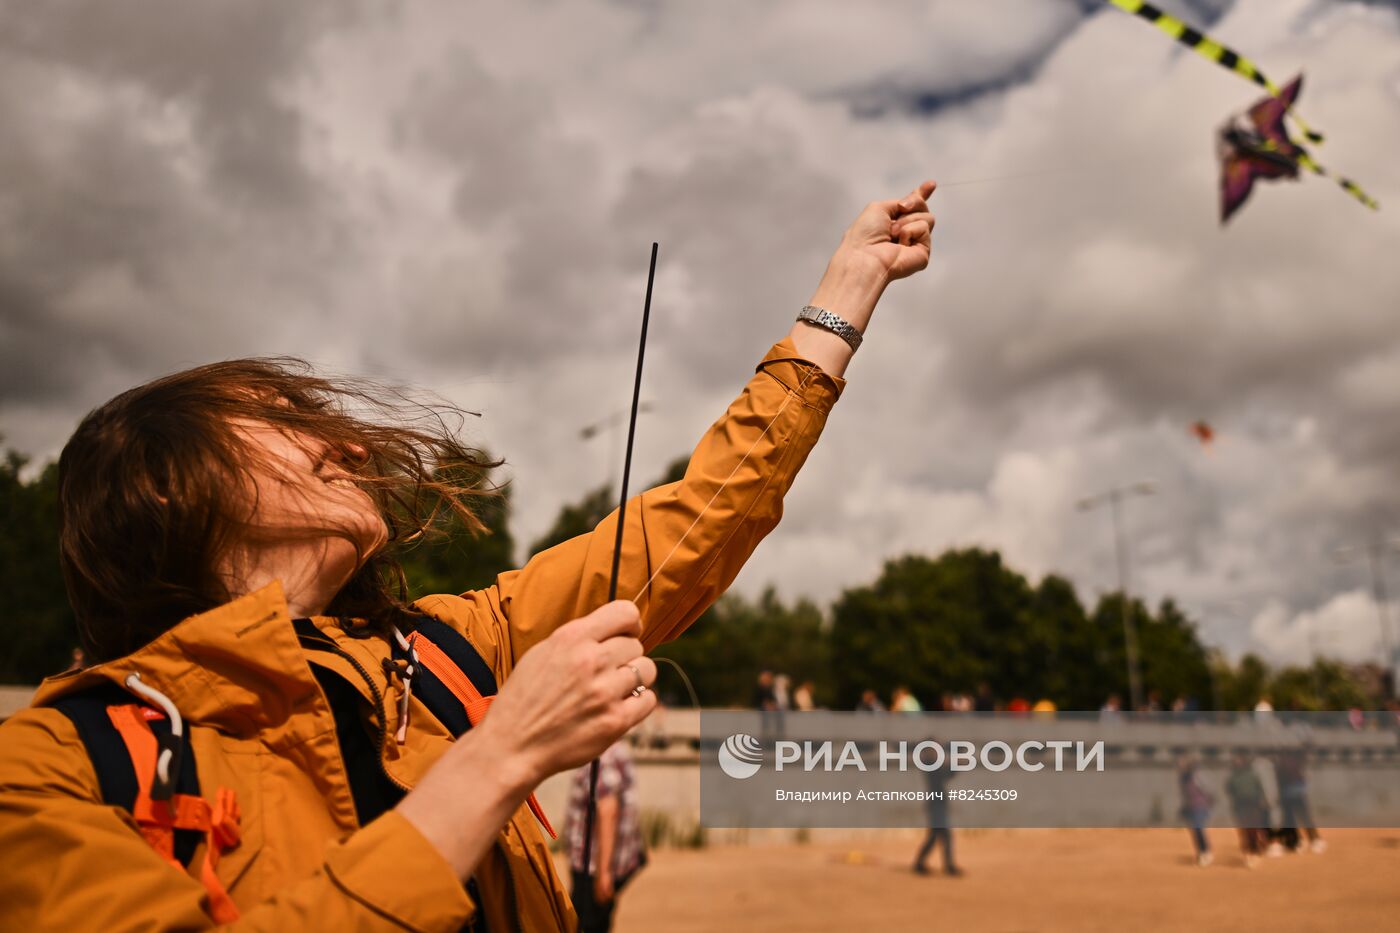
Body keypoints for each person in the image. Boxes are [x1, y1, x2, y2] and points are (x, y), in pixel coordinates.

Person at [0, 180, 941, 930]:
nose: (352, 445)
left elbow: (693, 521)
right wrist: (497, 762)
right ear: (167, 485)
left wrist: (843, 295)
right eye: (286, 423)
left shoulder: (449, 650)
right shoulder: (50, 768)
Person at [565, 740, 645, 933]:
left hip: (593, 866)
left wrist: (604, 872)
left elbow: (608, 809)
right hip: (604, 862)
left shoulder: (602, 754)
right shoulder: (616, 749)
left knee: (583, 925)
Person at [913, 740, 961, 877]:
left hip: (937, 803)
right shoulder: (930, 764)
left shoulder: (930, 764)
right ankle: (948, 866)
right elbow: (946, 774)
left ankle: (921, 863)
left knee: (935, 836)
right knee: (943, 835)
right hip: (936, 804)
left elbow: (946, 774)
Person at [1225, 752, 1271, 868]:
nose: (1237, 763)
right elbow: (1229, 790)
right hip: (1241, 806)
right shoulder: (1233, 777)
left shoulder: (1252, 775)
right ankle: (1249, 851)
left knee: (1254, 829)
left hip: (1253, 805)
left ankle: (1255, 850)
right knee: (1244, 831)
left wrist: (1263, 801)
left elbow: (1259, 789)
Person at [1178, 755, 1215, 867]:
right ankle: (1201, 852)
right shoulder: (1183, 779)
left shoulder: (1197, 776)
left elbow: (1207, 788)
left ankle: (1206, 852)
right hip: (1191, 807)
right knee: (1194, 830)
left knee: (1198, 827)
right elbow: (1184, 794)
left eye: (1183, 765)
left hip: (1200, 805)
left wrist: (1209, 801)